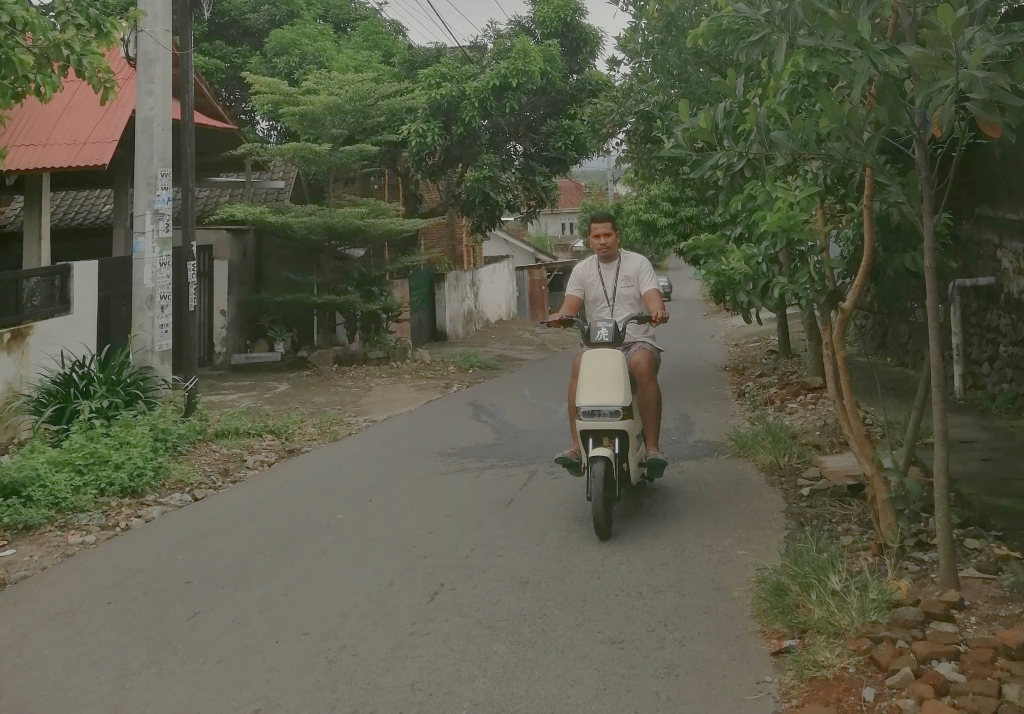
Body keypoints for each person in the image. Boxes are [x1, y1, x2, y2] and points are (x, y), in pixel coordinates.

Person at [547, 210, 670, 480]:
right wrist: (560, 317)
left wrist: (657, 310)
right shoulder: (582, 270)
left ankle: (652, 448)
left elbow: (652, 296)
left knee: (642, 363)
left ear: (617, 236)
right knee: (578, 364)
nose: (602, 241)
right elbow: (570, 306)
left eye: (607, 235)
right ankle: (577, 447)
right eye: (596, 236)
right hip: (598, 346)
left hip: (636, 340)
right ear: (589, 240)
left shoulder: (638, 263)